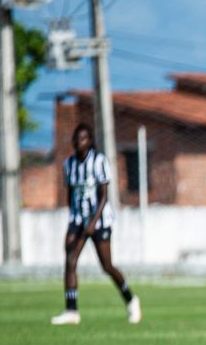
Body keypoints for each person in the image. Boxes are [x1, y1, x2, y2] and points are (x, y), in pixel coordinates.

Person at [51, 123, 141, 326]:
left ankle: (131, 299)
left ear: (90, 141)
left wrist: (93, 221)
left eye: (83, 139)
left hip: (99, 220)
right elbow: (71, 194)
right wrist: (74, 219)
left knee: (106, 265)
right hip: (78, 219)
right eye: (76, 139)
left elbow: (103, 196)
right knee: (70, 259)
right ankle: (71, 310)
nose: (78, 142)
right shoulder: (70, 164)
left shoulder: (99, 161)